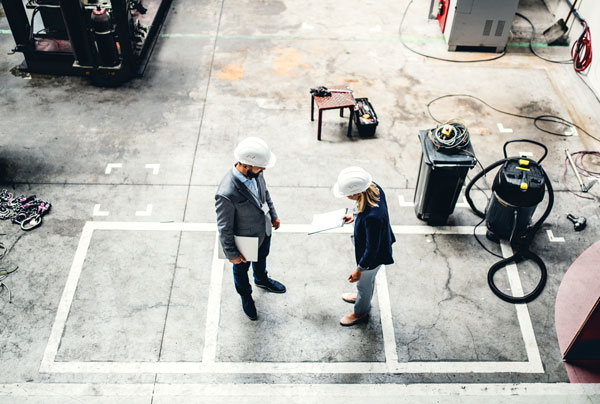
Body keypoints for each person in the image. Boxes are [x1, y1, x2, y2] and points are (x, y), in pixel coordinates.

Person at [215, 137, 286, 321]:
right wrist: (232, 254)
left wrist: (273, 214)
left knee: (262, 257)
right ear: (246, 165)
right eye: (260, 167)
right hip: (244, 241)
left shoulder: (256, 173)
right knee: (240, 271)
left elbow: (265, 194)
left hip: (263, 231)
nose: (263, 170)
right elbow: (224, 228)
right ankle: (246, 296)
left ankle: (261, 279)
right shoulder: (226, 193)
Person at [332, 166, 396, 326]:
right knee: (366, 284)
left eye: (347, 194)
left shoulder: (373, 217)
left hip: (373, 258)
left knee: (363, 283)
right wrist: (354, 216)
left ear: (357, 193)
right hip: (376, 250)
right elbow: (363, 207)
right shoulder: (373, 187)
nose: (346, 196)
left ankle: (361, 311)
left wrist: (359, 270)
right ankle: (363, 297)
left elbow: (371, 249)